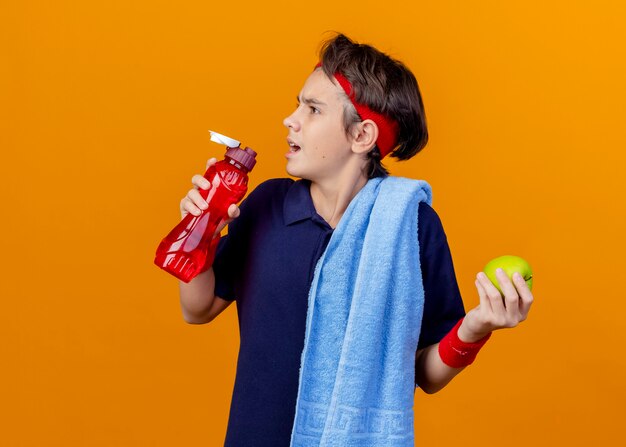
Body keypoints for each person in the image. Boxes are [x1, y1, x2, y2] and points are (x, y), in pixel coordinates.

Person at [177, 34, 534, 447]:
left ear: (362, 136)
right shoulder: (267, 205)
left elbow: (425, 375)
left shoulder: (409, 227)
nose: (290, 120)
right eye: (298, 104)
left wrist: (476, 327)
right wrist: (201, 228)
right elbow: (197, 308)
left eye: (312, 109)